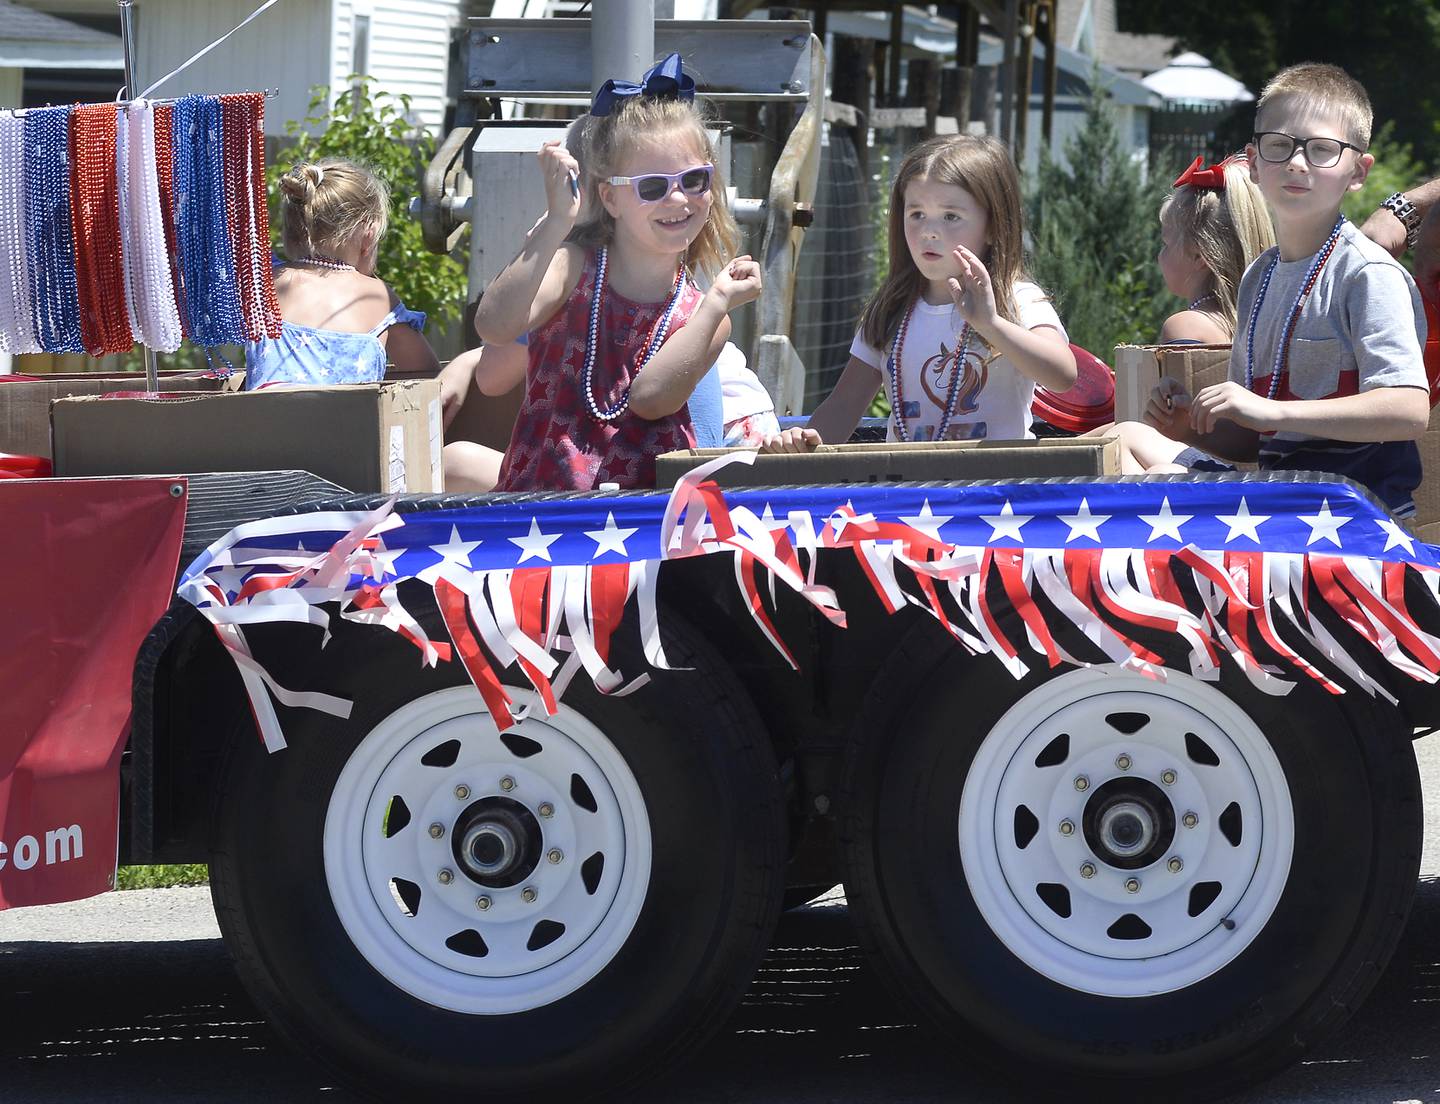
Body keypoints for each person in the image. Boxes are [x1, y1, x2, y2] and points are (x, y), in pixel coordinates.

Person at [1129, 63, 1430, 518]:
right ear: (1253, 162)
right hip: (1278, 500)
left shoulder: (1367, 273)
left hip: (1351, 514)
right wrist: (1192, 427)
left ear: (1358, 171)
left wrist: (1272, 412)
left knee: (1155, 487)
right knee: (1130, 437)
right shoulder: (1259, 276)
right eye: (1279, 145)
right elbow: (1255, 436)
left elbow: (1407, 410)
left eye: (1322, 149)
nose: (1296, 161)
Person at [473, 54, 761, 490]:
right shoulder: (572, 267)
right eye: (652, 187)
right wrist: (556, 222)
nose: (679, 200)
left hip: (639, 529)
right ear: (610, 199)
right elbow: (494, 326)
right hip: (541, 515)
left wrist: (717, 303)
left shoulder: (706, 314)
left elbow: (651, 399)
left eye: (694, 181)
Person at [764, 134, 1075, 453]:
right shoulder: (889, 309)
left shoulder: (1017, 298)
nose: (929, 230)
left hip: (994, 494)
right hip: (908, 493)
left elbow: (1063, 375)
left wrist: (992, 324)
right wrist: (803, 441)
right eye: (916, 214)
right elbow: (845, 403)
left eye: (951, 216)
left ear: (995, 226)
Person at [245, 158, 470, 419]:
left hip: (262, 439)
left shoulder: (263, 281)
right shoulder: (376, 296)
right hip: (346, 448)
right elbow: (426, 375)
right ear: (369, 234)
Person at [1106, 153, 1276, 470]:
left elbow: (1165, 427)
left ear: (1199, 256)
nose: (1159, 255)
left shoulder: (1186, 326)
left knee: (1119, 441)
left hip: (1202, 480)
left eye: (1166, 243)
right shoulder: (1258, 320)